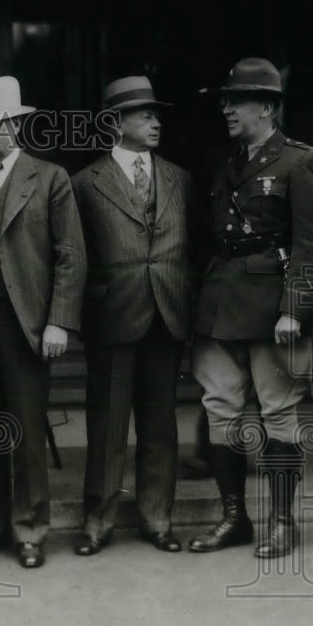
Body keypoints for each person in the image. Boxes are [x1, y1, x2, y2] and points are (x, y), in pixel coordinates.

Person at [189, 57, 313, 557]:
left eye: (236, 101)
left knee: (279, 414)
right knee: (221, 410)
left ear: (267, 108)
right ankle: (236, 520)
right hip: (219, 304)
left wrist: (294, 307)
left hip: (274, 310)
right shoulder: (224, 161)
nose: (226, 109)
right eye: (225, 101)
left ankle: (282, 523)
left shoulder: (301, 161)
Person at [0, 76, 86, 568]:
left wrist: (59, 322)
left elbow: (70, 256)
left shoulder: (50, 179)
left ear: (16, 125)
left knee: (28, 430)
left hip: (26, 322)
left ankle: (30, 529)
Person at [71, 76, 196, 556]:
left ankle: (157, 518)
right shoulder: (84, 183)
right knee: (106, 426)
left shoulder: (179, 178)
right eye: (145, 114)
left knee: (160, 425)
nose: (156, 122)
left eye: (155, 114)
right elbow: (73, 255)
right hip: (112, 317)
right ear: (115, 122)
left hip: (166, 314)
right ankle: (97, 521)